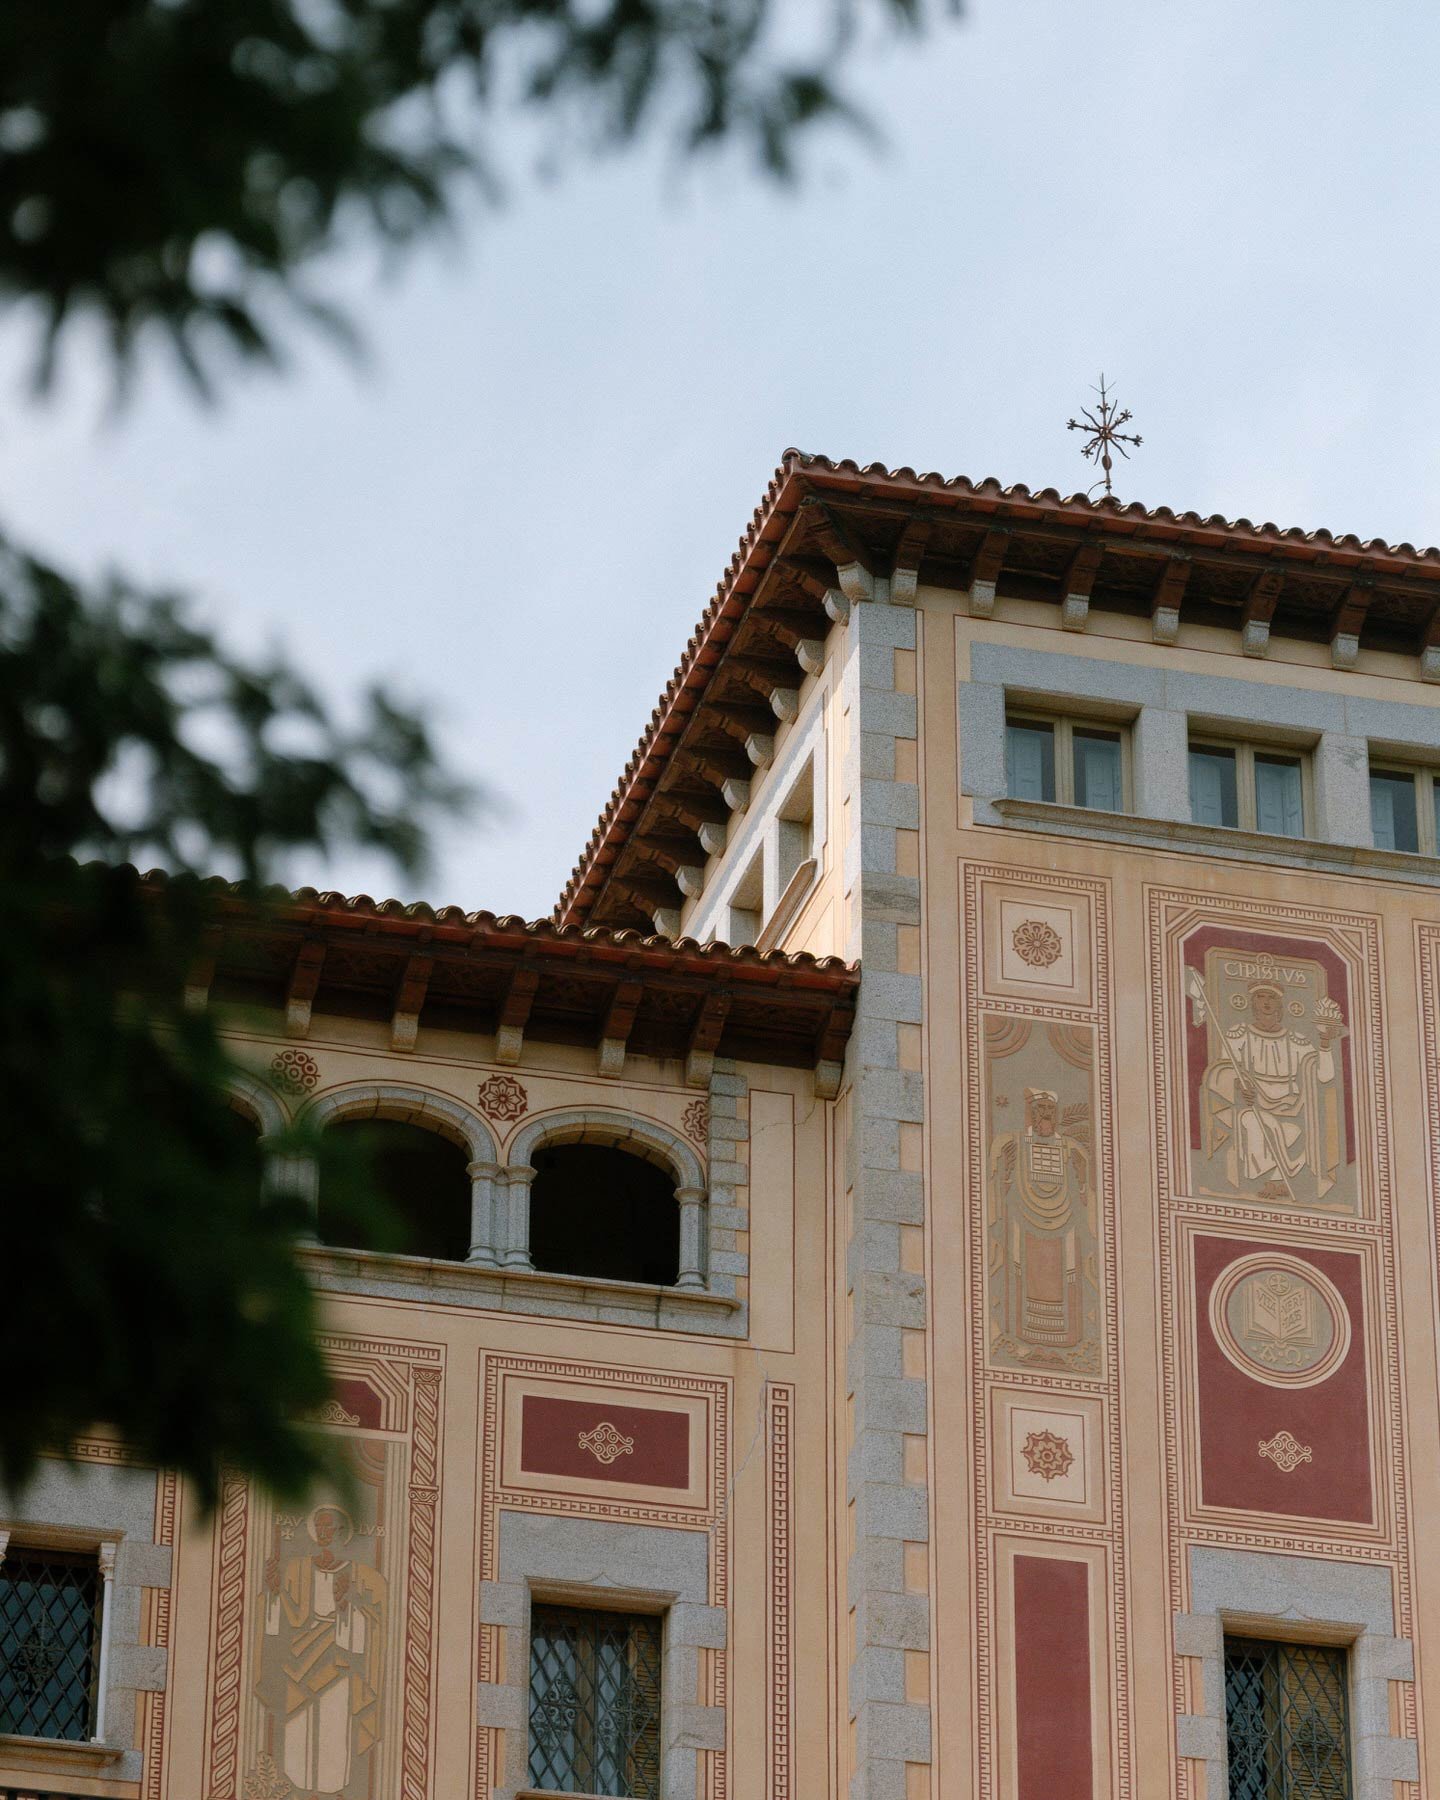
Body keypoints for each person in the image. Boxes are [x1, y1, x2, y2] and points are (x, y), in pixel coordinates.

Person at [257, 1504, 386, 1795]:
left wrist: (345, 1606)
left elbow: (372, 1623)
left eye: (330, 1527)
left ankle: (330, 1785)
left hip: (336, 1657)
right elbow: (288, 1618)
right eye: (320, 1526)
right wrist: (275, 1592)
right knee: (299, 1720)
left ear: (342, 1531)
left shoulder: (358, 1573)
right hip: (301, 1656)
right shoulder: (298, 1568)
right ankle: (298, 1782)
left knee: (334, 1716)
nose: (324, 1532)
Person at [1200, 982, 1342, 1201]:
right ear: (1252, 1003)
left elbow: (1324, 1076)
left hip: (1291, 1107)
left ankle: (1280, 1180)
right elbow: (1224, 1072)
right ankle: (1274, 1182)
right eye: (1260, 997)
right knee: (1259, 1123)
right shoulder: (1237, 1036)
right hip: (1248, 1106)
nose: (1266, 1002)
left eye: (1271, 998)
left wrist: (1324, 1043)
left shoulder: (1297, 1041)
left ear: (1280, 1004)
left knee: (1302, 1131)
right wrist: (1238, 1088)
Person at [988, 1087, 1094, 1357]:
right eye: (1040, 1110)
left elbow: (1083, 1172)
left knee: (1067, 1273)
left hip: (1063, 1227)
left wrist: (1083, 1186)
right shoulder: (1016, 1141)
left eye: (1050, 1111)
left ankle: (1066, 1339)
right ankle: (1019, 1335)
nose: (1046, 1115)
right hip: (1025, 1227)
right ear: (1031, 1114)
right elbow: (999, 1154)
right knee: (1020, 1270)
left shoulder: (1068, 1146)